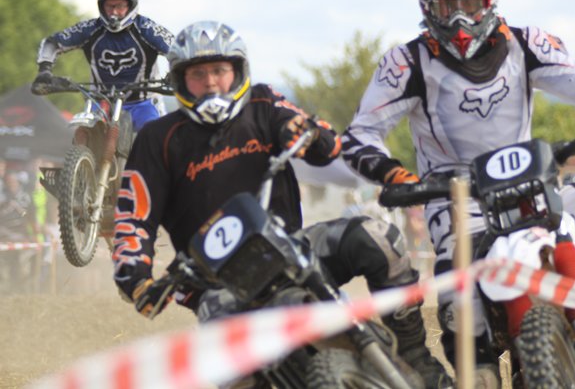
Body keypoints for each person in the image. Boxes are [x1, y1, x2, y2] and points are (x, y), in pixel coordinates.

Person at [342, 0, 575, 386]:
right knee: (458, 298)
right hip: (456, 197)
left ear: (489, 2)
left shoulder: (526, 43)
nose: (459, 20)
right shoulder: (406, 63)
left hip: (534, 185)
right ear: (427, 9)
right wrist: (394, 175)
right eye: (446, 8)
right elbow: (360, 135)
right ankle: (480, 373)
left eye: (469, 4)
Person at [111, 20, 452, 388]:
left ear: (237, 71)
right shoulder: (157, 138)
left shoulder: (263, 102)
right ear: (180, 80)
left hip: (291, 248)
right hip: (214, 282)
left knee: (376, 236)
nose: (210, 82)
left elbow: (324, 141)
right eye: (198, 74)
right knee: (230, 366)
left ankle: (416, 355)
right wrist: (137, 278)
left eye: (219, 70)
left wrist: (308, 133)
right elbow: (133, 216)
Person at [31, 0, 174, 131]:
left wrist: (175, 73)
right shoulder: (90, 29)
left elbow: (176, 48)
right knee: (82, 130)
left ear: (131, 6)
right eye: (109, 6)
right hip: (101, 101)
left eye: (120, 6)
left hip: (143, 104)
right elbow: (51, 43)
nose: (114, 12)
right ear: (101, 6)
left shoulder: (147, 28)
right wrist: (44, 70)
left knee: (155, 134)